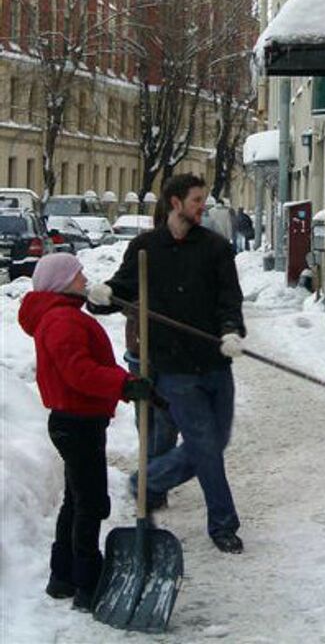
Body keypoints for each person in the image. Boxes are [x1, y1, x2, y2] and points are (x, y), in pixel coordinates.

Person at [88, 173, 247, 554]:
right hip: (174, 369)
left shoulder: (216, 249)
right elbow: (121, 289)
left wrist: (230, 331)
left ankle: (147, 480)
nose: (202, 206)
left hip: (214, 363)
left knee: (216, 440)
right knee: (205, 444)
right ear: (175, 202)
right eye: (196, 200)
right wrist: (102, 296)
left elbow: (230, 298)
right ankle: (223, 524)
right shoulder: (146, 249)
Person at [18, 253, 157, 611]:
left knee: (77, 500)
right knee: (90, 503)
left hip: (75, 420)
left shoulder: (62, 315)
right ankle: (87, 583)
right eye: (77, 275)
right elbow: (78, 372)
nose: (84, 279)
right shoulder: (62, 320)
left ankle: (62, 576)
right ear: (63, 282)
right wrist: (123, 384)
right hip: (76, 422)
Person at [122, 195, 178, 510]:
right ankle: (150, 476)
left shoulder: (191, 250)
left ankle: (154, 480)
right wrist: (133, 305)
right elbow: (123, 289)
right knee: (146, 416)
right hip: (140, 345)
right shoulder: (141, 247)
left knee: (168, 418)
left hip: (175, 350)